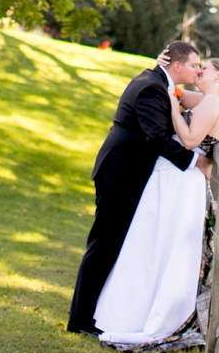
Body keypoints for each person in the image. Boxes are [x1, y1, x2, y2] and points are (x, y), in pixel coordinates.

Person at [92, 55, 219, 347]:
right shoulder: (207, 97)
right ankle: (134, 310)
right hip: (175, 178)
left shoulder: (212, 103)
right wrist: (162, 62)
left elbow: (188, 140)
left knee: (163, 245)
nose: (199, 70)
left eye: (205, 68)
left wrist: (173, 109)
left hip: (182, 182)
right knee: (154, 243)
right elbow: (173, 86)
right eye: (196, 65)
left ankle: (155, 315)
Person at [67, 40, 206, 335]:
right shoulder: (152, 87)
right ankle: (80, 320)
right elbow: (156, 137)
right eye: (194, 65)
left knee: (111, 245)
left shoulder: (159, 82)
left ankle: (93, 314)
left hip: (126, 173)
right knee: (103, 245)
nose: (198, 69)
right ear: (177, 66)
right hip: (119, 174)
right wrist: (196, 162)